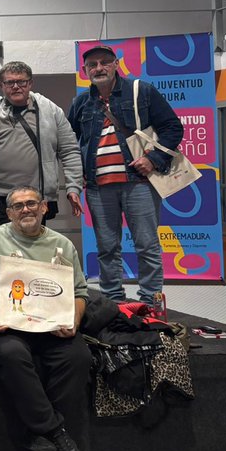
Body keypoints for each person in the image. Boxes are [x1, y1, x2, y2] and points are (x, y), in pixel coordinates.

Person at [0, 187, 90, 451]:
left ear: (44, 208)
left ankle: (43, 433)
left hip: (53, 327)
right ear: (9, 212)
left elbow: (80, 292)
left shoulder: (63, 244)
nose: (25, 210)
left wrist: (74, 321)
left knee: (79, 358)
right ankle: (57, 434)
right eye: (18, 206)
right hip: (8, 325)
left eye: (31, 204)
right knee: (11, 355)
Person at [68, 43, 184, 306]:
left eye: (104, 62)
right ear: (85, 71)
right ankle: (112, 303)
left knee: (147, 246)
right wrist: (76, 180)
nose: (99, 68)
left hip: (139, 184)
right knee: (107, 249)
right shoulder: (81, 103)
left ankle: (150, 303)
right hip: (98, 187)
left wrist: (153, 159)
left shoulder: (141, 91)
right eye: (92, 65)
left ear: (116, 64)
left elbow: (173, 128)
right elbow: (68, 143)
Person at [0, 61, 83, 240]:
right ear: (1, 86)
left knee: (31, 253)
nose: (16, 86)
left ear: (30, 83)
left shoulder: (50, 110)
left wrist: (73, 187)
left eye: (22, 82)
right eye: (10, 83)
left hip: (34, 199)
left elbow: (70, 150)